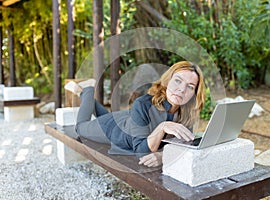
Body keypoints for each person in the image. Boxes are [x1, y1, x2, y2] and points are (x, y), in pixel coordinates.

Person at [64, 61, 206, 167]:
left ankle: (87, 97)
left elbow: (185, 146)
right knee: (80, 128)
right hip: (113, 130)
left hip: (129, 119)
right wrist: (162, 126)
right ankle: (88, 89)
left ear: (194, 94)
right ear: (168, 81)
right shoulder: (143, 103)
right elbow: (142, 152)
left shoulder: (187, 113)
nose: (181, 89)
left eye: (190, 86)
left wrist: (163, 156)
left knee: (105, 115)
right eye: (178, 81)